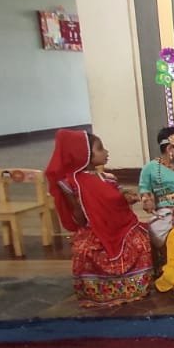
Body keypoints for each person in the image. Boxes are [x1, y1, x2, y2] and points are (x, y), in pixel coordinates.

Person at [46, 130, 153, 307]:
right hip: (93, 229)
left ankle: (136, 287)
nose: (106, 152)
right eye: (100, 149)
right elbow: (80, 217)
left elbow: (117, 198)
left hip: (121, 226)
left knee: (141, 242)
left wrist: (127, 197)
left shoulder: (108, 178)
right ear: (84, 154)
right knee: (85, 250)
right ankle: (97, 292)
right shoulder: (71, 184)